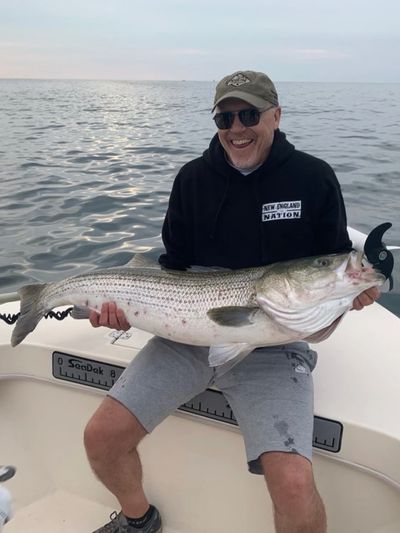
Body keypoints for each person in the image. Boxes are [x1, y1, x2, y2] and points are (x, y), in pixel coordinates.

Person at [84, 70, 380, 533]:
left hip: (275, 342)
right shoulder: (192, 180)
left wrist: (343, 299)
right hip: (189, 330)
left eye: (249, 114)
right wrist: (123, 311)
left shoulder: (314, 178)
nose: (237, 128)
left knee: (295, 483)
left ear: (276, 116)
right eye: (226, 117)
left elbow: (330, 266)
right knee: (100, 437)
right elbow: (173, 268)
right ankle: (138, 519)